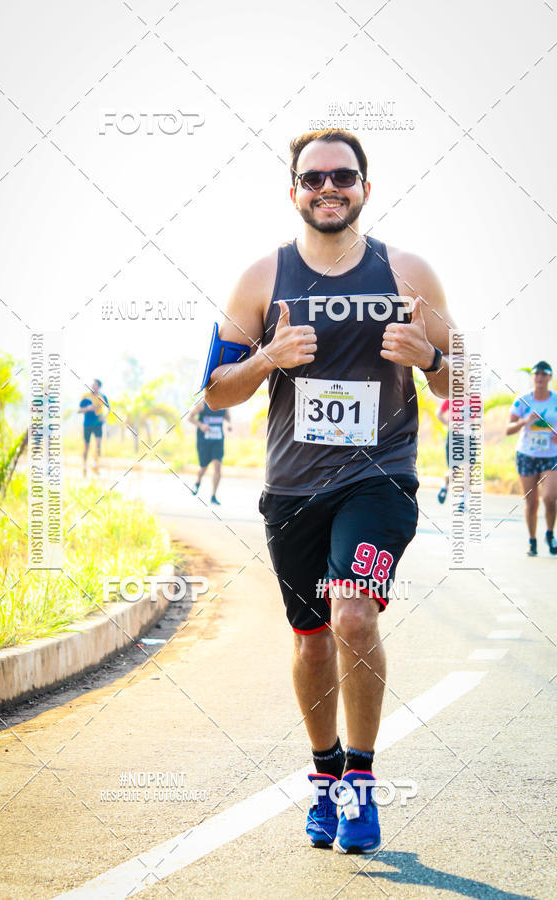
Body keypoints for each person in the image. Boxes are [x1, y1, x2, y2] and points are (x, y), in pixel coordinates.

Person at [204, 128, 456, 854]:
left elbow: (461, 387)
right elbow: (216, 393)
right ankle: (323, 778)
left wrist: (431, 356)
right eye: (312, 179)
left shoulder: (408, 272)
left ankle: (361, 785)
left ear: (365, 189)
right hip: (292, 494)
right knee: (312, 639)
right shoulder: (261, 279)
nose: (328, 188)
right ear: (294, 192)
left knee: (352, 615)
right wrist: (267, 359)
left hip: (379, 482)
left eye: (342, 176)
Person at [507, 361, 557, 556]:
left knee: (550, 498)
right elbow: (508, 429)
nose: (540, 377)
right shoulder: (523, 400)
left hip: (551, 455)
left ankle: (550, 534)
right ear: (533, 377)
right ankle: (532, 540)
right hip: (527, 455)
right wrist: (525, 421)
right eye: (536, 374)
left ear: (550, 377)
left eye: (544, 374)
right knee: (531, 502)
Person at [188, 398, 231, 504]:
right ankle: (197, 483)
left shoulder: (224, 405)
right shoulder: (203, 404)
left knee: (217, 467)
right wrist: (201, 425)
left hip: (218, 441)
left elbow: (227, 419)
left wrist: (228, 425)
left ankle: (213, 496)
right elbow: (190, 417)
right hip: (204, 441)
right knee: (203, 467)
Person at [78, 379, 109, 476]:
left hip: (98, 424)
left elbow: (108, 409)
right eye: (93, 385)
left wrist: (103, 417)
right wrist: (87, 409)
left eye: (95, 385)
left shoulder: (102, 397)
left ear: (99, 387)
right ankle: (84, 465)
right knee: (86, 446)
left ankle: (95, 465)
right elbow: (79, 410)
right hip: (87, 424)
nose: (93, 386)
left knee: (98, 445)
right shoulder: (85, 397)